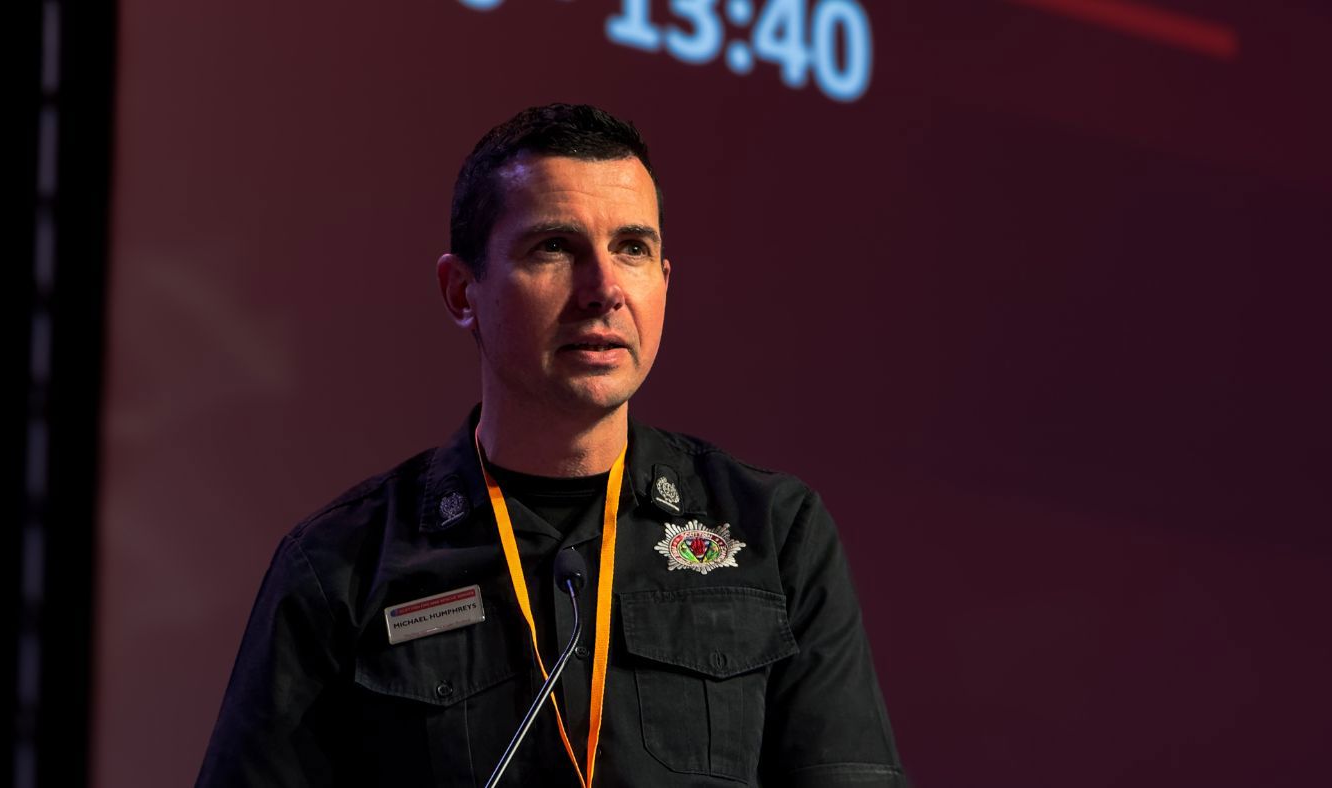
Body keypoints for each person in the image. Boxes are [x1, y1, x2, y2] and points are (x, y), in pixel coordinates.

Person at [198, 104, 907, 787]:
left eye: (632, 248)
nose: (602, 289)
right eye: (555, 248)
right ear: (461, 291)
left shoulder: (772, 531)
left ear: (663, 283)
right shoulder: (341, 567)